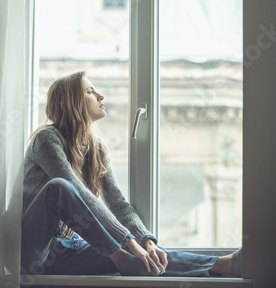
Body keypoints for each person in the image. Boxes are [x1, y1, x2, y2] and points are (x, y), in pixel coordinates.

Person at [21, 71, 242, 278]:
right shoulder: (47, 139)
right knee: (60, 187)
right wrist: (125, 240)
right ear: (70, 102)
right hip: (32, 250)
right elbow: (76, 191)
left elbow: (118, 202)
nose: (100, 95)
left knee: (148, 257)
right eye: (90, 91)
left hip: (67, 251)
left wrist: (145, 240)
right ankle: (119, 257)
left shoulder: (96, 149)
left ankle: (223, 265)